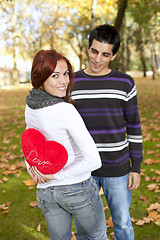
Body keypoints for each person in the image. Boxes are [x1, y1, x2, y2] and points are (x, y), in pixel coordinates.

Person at [24, 49, 107, 240]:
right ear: (40, 77)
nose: (63, 81)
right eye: (55, 75)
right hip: (76, 188)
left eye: (66, 74)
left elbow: (28, 140)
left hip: (46, 192)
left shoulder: (30, 104)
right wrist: (57, 175)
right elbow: (94, 161)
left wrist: (31, 167)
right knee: (96, 236)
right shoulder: (65, 110)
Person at [71, 24, 143, 240]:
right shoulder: (71, 83)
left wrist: (136, 167)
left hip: (117, 168)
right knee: (84, 228)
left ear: (113, 56)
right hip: (83, 169)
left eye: (105, 54)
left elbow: (134, 126)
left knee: (122, 223)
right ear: (87, 48)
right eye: (94, 51)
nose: (97, 59)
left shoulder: (125, 83)